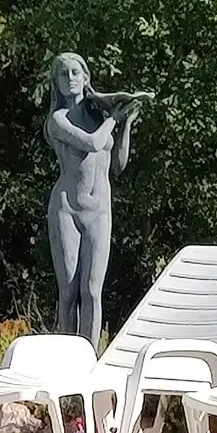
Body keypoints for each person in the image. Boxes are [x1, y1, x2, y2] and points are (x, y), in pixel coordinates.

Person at [43, 53, 151, 347]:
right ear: (57, 82)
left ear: (86, 77)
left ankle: (89, 356)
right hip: (67, 207)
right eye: (63, 74)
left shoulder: (99, 118)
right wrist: (114, 119)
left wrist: (125, 125)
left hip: (100, 209)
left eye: (76, 72)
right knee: (68, 291)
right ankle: (68, 355)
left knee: (91, 290)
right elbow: (91, 143)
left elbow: (118, 165)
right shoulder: (58, 120)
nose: (71, 78)